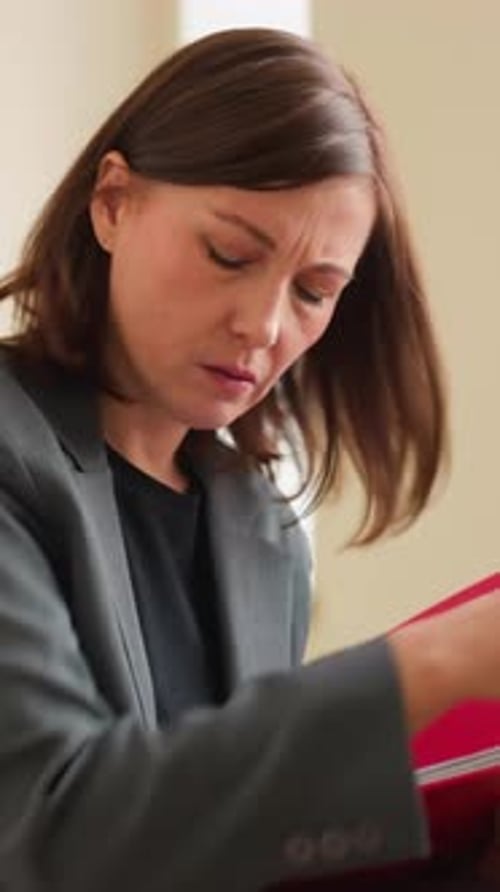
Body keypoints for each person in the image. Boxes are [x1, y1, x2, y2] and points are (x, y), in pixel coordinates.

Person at [0, 27, 497, 892]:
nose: (263, 327)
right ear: (113, 203)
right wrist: (439, 663)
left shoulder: (263, 535)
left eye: (314, 292)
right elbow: (52, 839)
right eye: (229, 255)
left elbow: (214, 853)